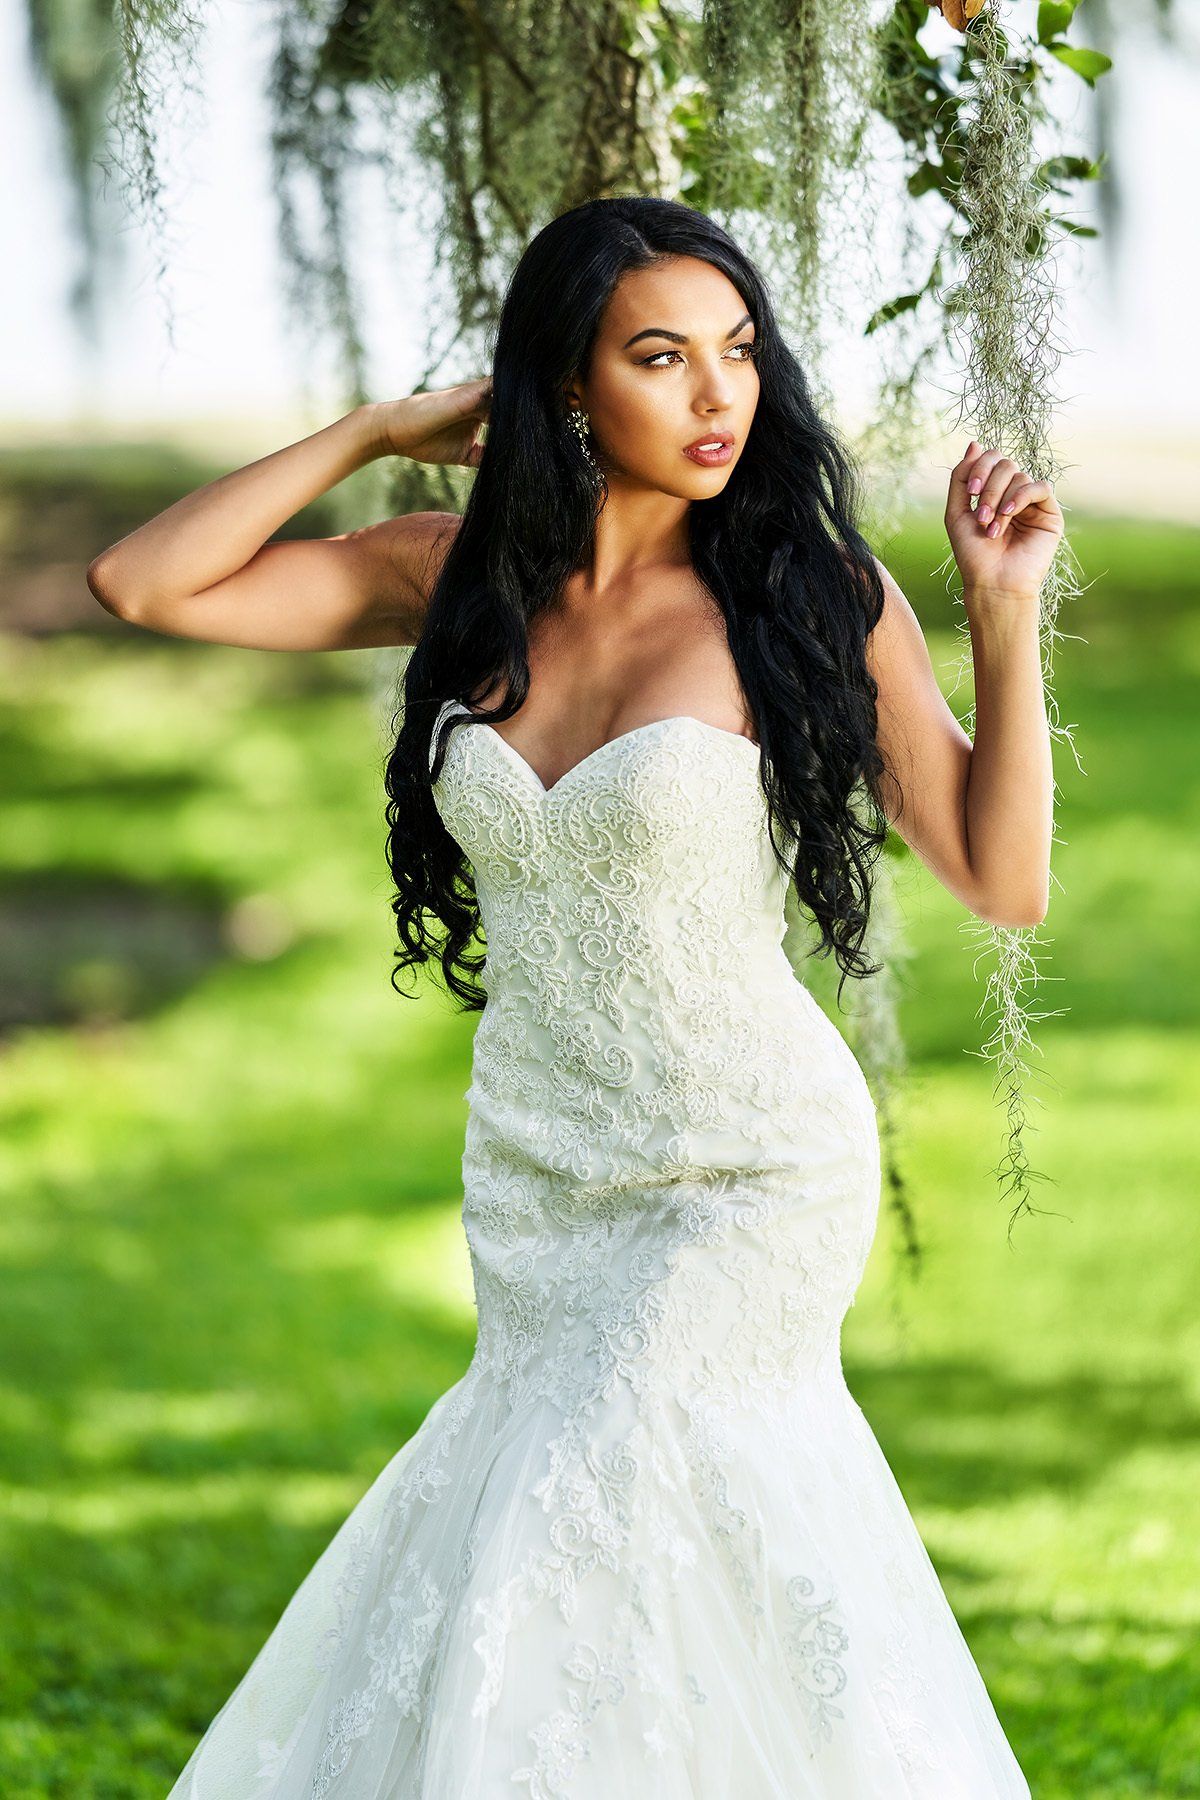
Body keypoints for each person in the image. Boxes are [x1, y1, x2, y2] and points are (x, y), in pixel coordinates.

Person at [88, 195, 1058, 1797]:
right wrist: (380, 429)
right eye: (662, 356)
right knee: (588, 1551)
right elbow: (144, 583)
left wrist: (1005, 620)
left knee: (590, 1483)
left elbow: (999, 872)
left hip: (746, 1174)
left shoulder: (805, 593)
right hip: (542, 1175)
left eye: (738, 352)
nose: (717, 396)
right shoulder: (459, 583)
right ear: (563, 386)